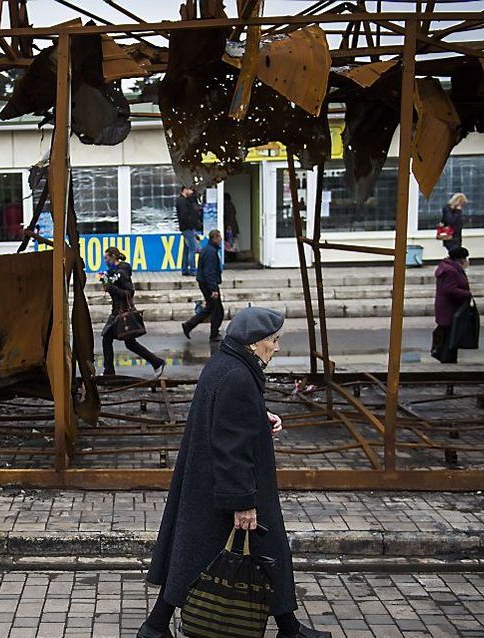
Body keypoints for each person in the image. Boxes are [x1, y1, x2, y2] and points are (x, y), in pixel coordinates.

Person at [140, 308, 330, 638]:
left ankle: (156, 626)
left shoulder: (225, 363)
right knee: (227, 557)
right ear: (255, 343)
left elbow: (228, 417)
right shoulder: (239, 377)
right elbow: (231, 445)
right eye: (274, 340)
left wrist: (260, 415)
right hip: (230, 488)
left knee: (200, 556)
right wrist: (243, 502)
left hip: (208, 484)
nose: (277, 347)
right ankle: (156, 626)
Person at [100, 246, 165, 377]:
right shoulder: (114, 272)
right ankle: (156, 362)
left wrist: (111, 288)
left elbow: (129, 292)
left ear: (113, 257)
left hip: (121, 312)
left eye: (106, 258)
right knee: (129, 343)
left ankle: (109, 372)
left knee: (107, 339)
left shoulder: (122, 272)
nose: (105, 261)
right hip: (117, 310)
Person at [182, 229, 224, 342]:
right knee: (218, 310)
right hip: (208, 284)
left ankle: (189, 325)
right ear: (215, 238)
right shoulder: (210, 252)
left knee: (210, 308)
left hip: (205, 283)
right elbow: (209, 272)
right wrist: (214, 289)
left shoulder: (209, 249)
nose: (221, 239)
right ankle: (214, 334)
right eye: (219, 237)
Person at [432, 246, 473, 363]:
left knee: (448, 333)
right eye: (465, 258)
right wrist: (466, 294)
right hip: (450, 308)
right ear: (461, 259)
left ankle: (444, 356)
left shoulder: (448, 268)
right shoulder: (451, 271)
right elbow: (449, 289)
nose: (466, 261)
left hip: (447, 307)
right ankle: (445, 358)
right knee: (450, 334)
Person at [176, 186, 202, 277]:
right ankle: (193, 270)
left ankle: (184, 269)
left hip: (186, 228)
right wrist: (191, 225)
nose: (191, 192)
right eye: (190, 190)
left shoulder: (184, 200)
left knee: (186, 250)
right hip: (188, 228)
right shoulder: (182, 201)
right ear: (185, 190)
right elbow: (185, 216)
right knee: (192, 249)